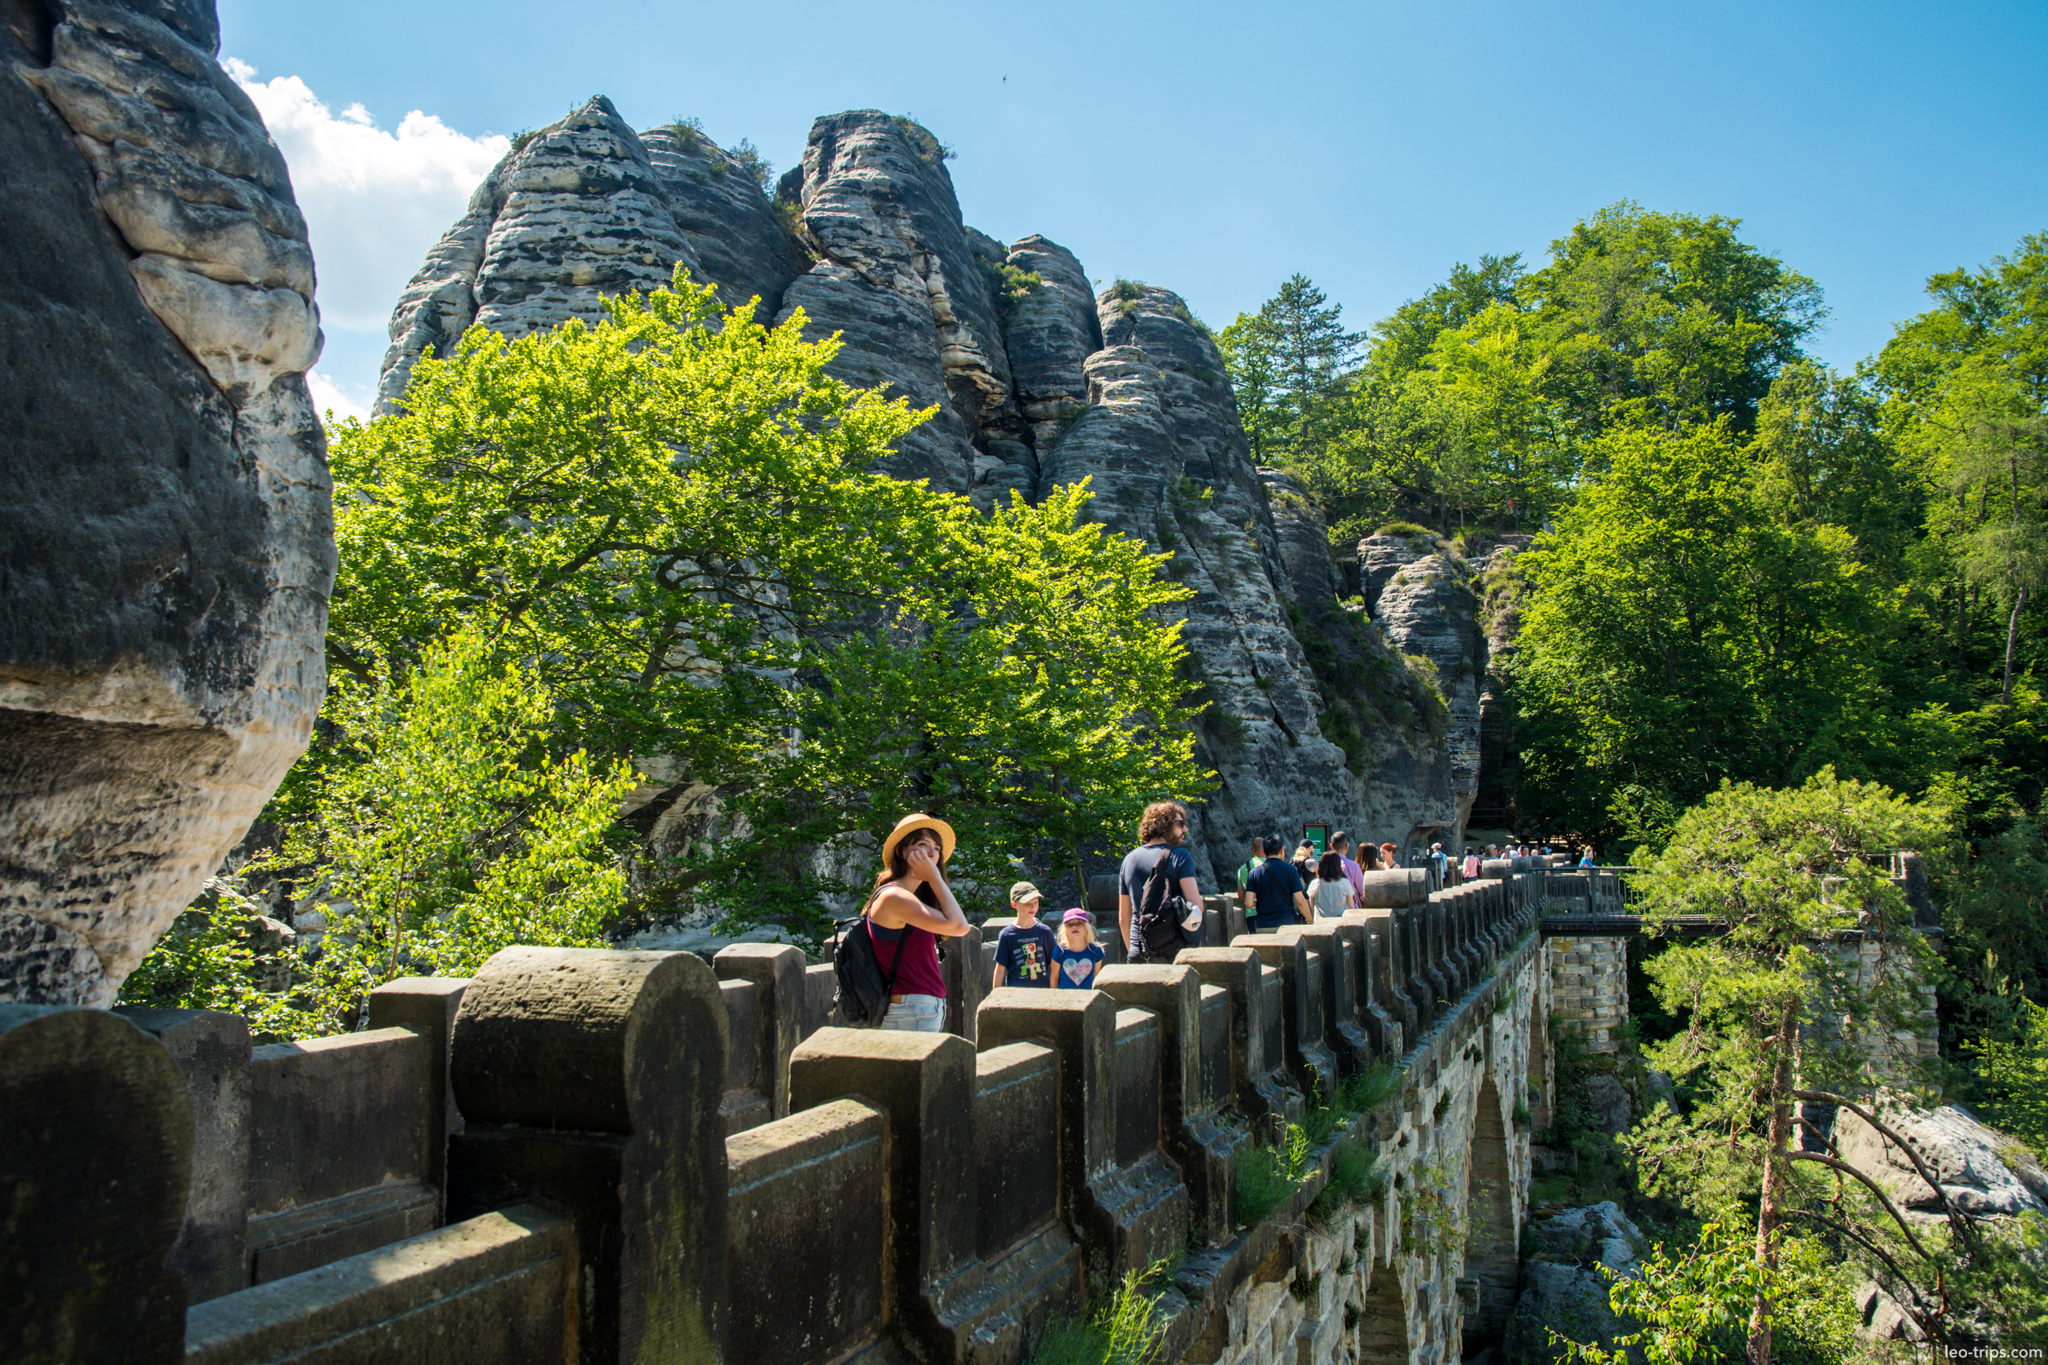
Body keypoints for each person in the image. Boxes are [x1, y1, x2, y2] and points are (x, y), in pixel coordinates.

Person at [867, 813, 972, 1031]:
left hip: (918, 1009)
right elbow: (960, 927)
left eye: (937, 848)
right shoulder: (893, 897)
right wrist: (934, 877)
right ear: (901, 851)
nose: (932, 853)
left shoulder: (912, 900)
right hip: (910, 1010)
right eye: (923, 844)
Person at [1119, 801, 1204, 964]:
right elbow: (1196, 907)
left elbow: (1124, 918)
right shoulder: (1180, 856)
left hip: (1139, 950)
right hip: (1174, 951)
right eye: (1180, 824)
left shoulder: (1129, 860)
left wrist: (1135, 951)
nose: (1185, 829)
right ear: (1163, 824)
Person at [991, 881, 1057, 989]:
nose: (1033, 907)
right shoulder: (1006, 935)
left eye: (1035, 902)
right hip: (1016, 994)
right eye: (1027, 904)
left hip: (1043, 993)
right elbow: (1000, 969)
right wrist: (994, 998)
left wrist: (1056, 994)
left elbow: (1053, 966)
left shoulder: (1045, 932)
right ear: (1014, 904)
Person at [1246, 832, 1310, 930]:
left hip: (1263, 925)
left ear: (1264, 851)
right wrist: (1311, 921)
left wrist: (1262, 901)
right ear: (1281, 850)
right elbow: (1300, 901)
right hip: (1286, 924)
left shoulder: (1254, 873)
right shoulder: (1291, 870)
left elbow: (1249, 903)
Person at [1051, 909, 1105, 989]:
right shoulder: (1059, 951)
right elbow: (1054, 977)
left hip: (1088, 998)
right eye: (1070, 924)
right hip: (1065, 998)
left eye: (1079, 923)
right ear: (1065, 930)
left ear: (1087, 928)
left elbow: (1096, 977)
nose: (1075, 927)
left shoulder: (1096, 951)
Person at [1307, 851, 1352, 919]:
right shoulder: (1344, 882)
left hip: (1320, 922)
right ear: (1338, 865)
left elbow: (1312, 907)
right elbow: (1351, 906)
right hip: (1340, 921)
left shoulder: (1315, 883)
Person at [1330, 831, 1366, 905]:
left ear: (1331, 846)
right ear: (1346, 846)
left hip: (1329, 909)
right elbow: (1363, 891)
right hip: (1349, 908)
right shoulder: (1353, 866)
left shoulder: (1324, 866)